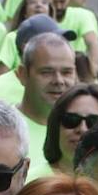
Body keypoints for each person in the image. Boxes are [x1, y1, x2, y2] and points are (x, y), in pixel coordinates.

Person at [16, 31, 79, 182]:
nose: (59, 80)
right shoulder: (2, 128)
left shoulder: (84, 130)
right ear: (22, 74)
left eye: (66, 72)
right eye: (46, 72)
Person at [43, 84, 98, 176]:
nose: (82, 129)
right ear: (56, 126)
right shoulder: (30, 182)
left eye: (94, 122)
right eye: (71, 119)